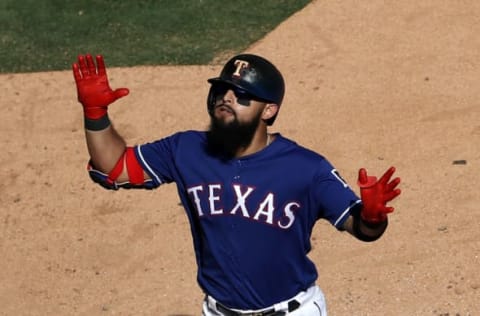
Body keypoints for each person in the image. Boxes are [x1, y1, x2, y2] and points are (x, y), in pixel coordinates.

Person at [72, 53, 401, 315]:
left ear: (269, 110)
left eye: (243, 95)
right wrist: (95, 112)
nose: (228, 98)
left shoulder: (306, 168)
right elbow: (114, 167)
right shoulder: (186, 150)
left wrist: (373, 218)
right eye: (222, 90)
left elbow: (360, 228)